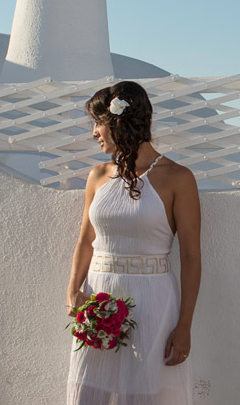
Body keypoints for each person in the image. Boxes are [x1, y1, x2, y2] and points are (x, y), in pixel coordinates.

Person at [66, 81, 201, 405]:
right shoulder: (98, 175)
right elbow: (87, 239)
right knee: (88, 392)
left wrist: (184, 326)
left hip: (153, 301)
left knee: (143, 395)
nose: (95, 132)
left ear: (119, 122)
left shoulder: (178, 178)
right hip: (99, 298)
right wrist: (73, 290)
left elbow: (192, 256)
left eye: (98, 123)